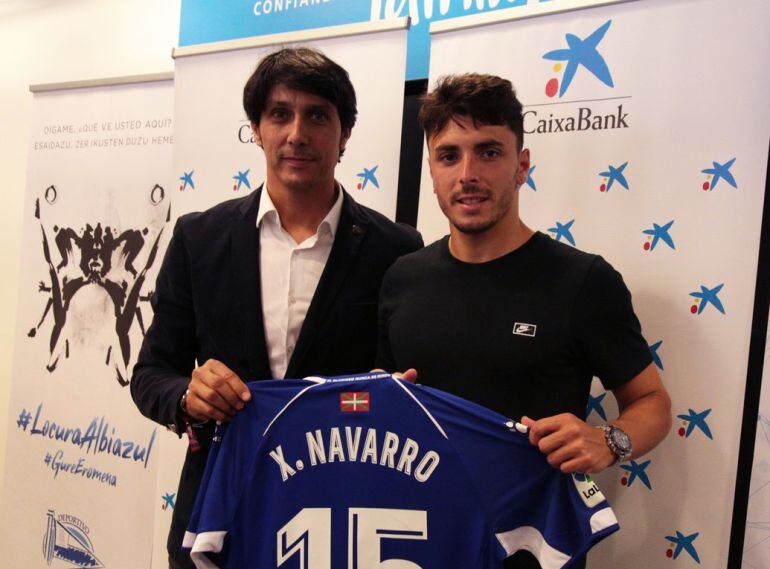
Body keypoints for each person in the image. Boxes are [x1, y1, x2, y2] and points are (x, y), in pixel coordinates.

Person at [131, 47, 422, 568]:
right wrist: (186, 396)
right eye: (280, 114)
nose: (297, 134)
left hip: (344, 514)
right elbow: (151, 374)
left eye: (317, 116)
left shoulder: (395, 249)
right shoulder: (200, 237)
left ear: (345, 133)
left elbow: (406, 387)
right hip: (219, 509)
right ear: (256, 129)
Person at [377, 73, 671, 568]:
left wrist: (608, 440)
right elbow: (384, 397)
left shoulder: (583, 280)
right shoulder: (402, 278)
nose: (468, 173)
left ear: (522, 165)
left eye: (489, 151)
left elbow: (652, 403)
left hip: (532, 551)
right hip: (416, 542)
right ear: (432, 169)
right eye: (449, 155)